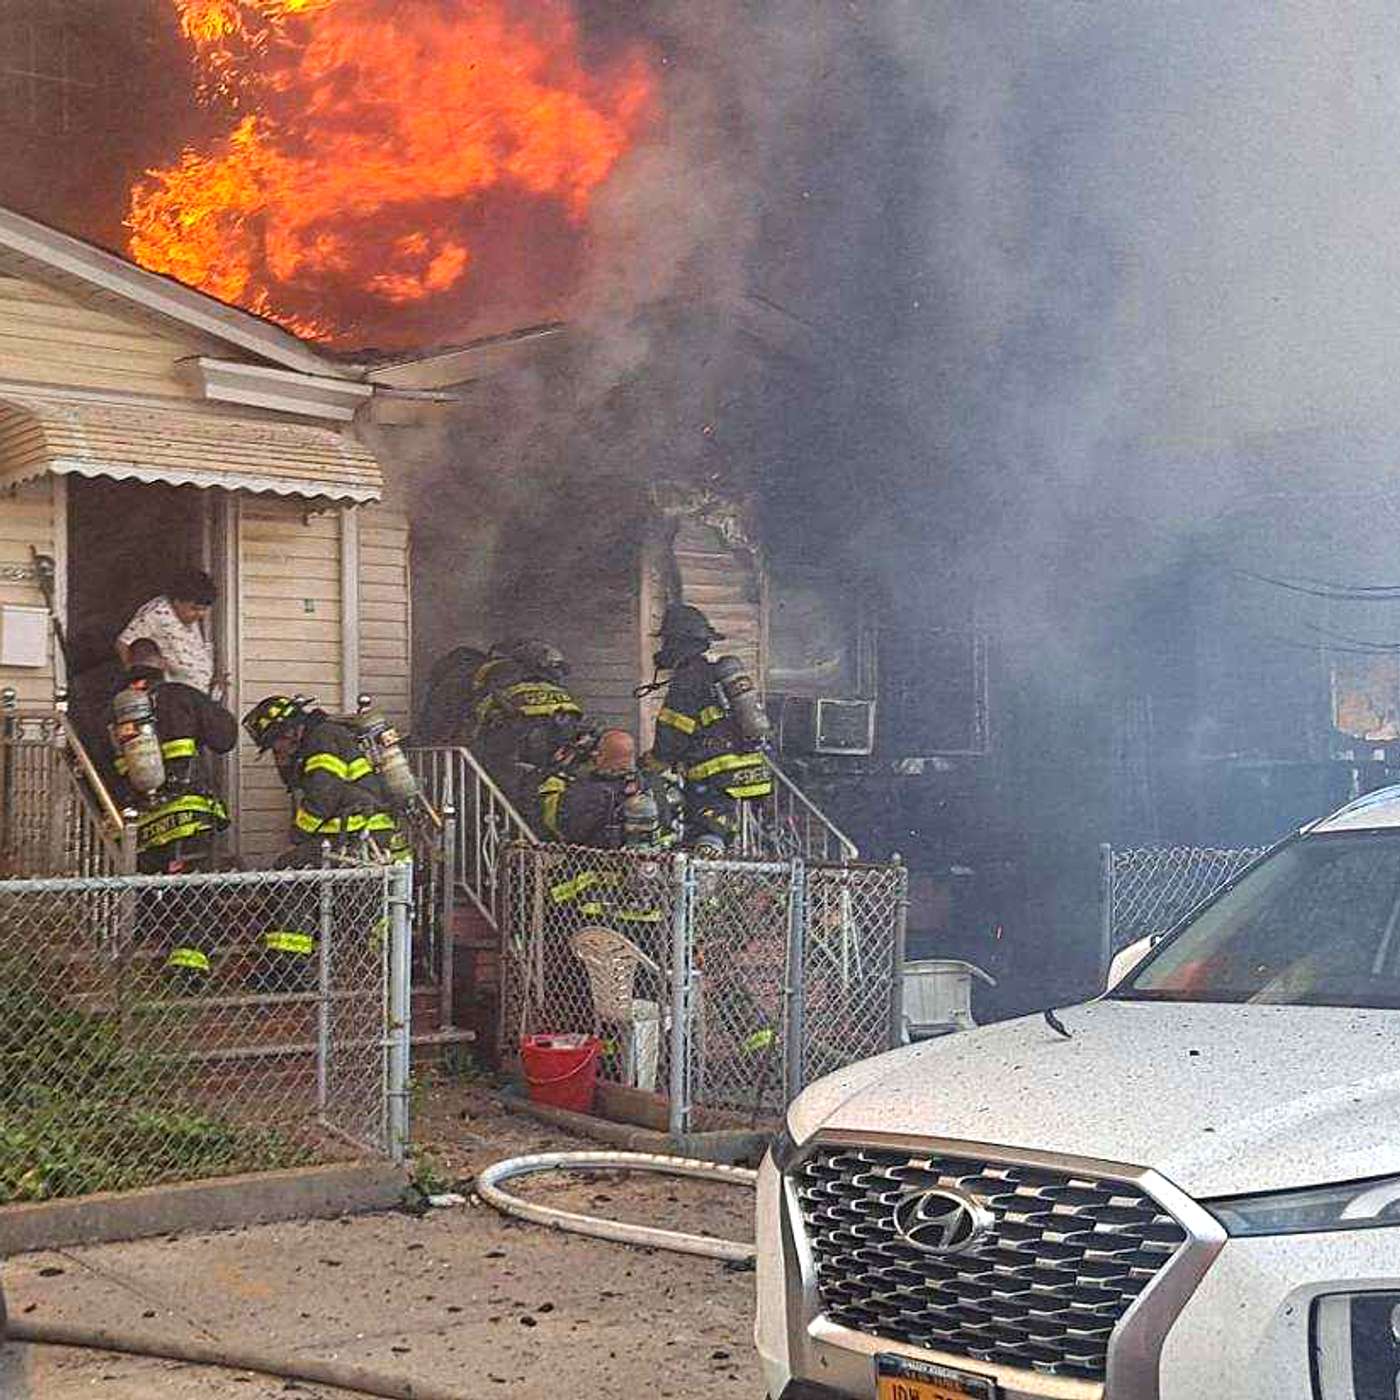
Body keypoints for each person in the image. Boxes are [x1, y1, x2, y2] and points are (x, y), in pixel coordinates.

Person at [241, 695, 406, 984]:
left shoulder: (322, 740)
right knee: (305, 881)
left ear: (290, 730)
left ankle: (290, 967)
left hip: (358, 832)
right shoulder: (320, 738)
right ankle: (288, 965)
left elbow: (323, 795)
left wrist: (298, 834)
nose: (276, 752)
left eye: (275, 744)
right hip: (357, 832)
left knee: (288, 873)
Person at [110, 639, 237, 984]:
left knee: (158, 883)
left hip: (147, 816)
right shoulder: (180, 694)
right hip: (188, 810)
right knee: (197, 886)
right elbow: (225, 739)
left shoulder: (120, 710)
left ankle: (153, 953)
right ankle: (189, 969)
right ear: (162, 664)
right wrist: (209, 705)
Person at [644, 602, 772, 853]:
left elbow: (672, 735)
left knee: (706, 838)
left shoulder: (688, 679)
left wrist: (653, 762)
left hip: (716, 779)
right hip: (754, 777)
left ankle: (707, 888)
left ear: (677, 643)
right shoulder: (716, 676)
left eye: (667, 641)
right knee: (740, 841)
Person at [468, 639, 587, 798]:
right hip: (555, 770)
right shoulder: (564, 695)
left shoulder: (504, 693)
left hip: (515, 770)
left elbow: (477, 725)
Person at [539, 728, 678, 851]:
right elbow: (667, 822)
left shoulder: (592, 792)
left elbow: (562, 827)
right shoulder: (654, 784)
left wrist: (557, 778)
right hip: (653, 865)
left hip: (597, 870)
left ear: (600, 756)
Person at [116, 568, 217, 694]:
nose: (201, 614)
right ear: (177, 601)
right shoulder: (156, 614)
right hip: (172, 695)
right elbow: (123, 643)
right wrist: (139, 683)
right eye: (195, 609)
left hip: (196, 695)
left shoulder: (189, 618)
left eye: (204, 609)